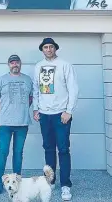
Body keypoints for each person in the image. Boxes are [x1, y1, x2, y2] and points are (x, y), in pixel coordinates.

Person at [32, 38, 79, 201]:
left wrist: (69, 111)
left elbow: (73, 89)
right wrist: (36, 109)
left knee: (64, 150)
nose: (49, 49)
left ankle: (65, 185)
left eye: (51, 46)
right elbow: (36, 89)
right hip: (44, 115)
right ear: (42, 50)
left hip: (61, 115)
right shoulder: (38, 66)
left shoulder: (64, 65)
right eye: (45, 47)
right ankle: (50, 181)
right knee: (48, 149)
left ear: (55, 49)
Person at [0, 54, 33, 194]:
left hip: (22, 124)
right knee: (3, 152)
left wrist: (19, 111)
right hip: (5, 124)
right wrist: (5, 113)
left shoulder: (27, 80)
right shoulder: (2, 80)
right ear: (8, 64)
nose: (14, 65)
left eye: (17, 62)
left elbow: (31, 98)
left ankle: (17, 182)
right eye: (12, 63)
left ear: (20, 64)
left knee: (18, 153)